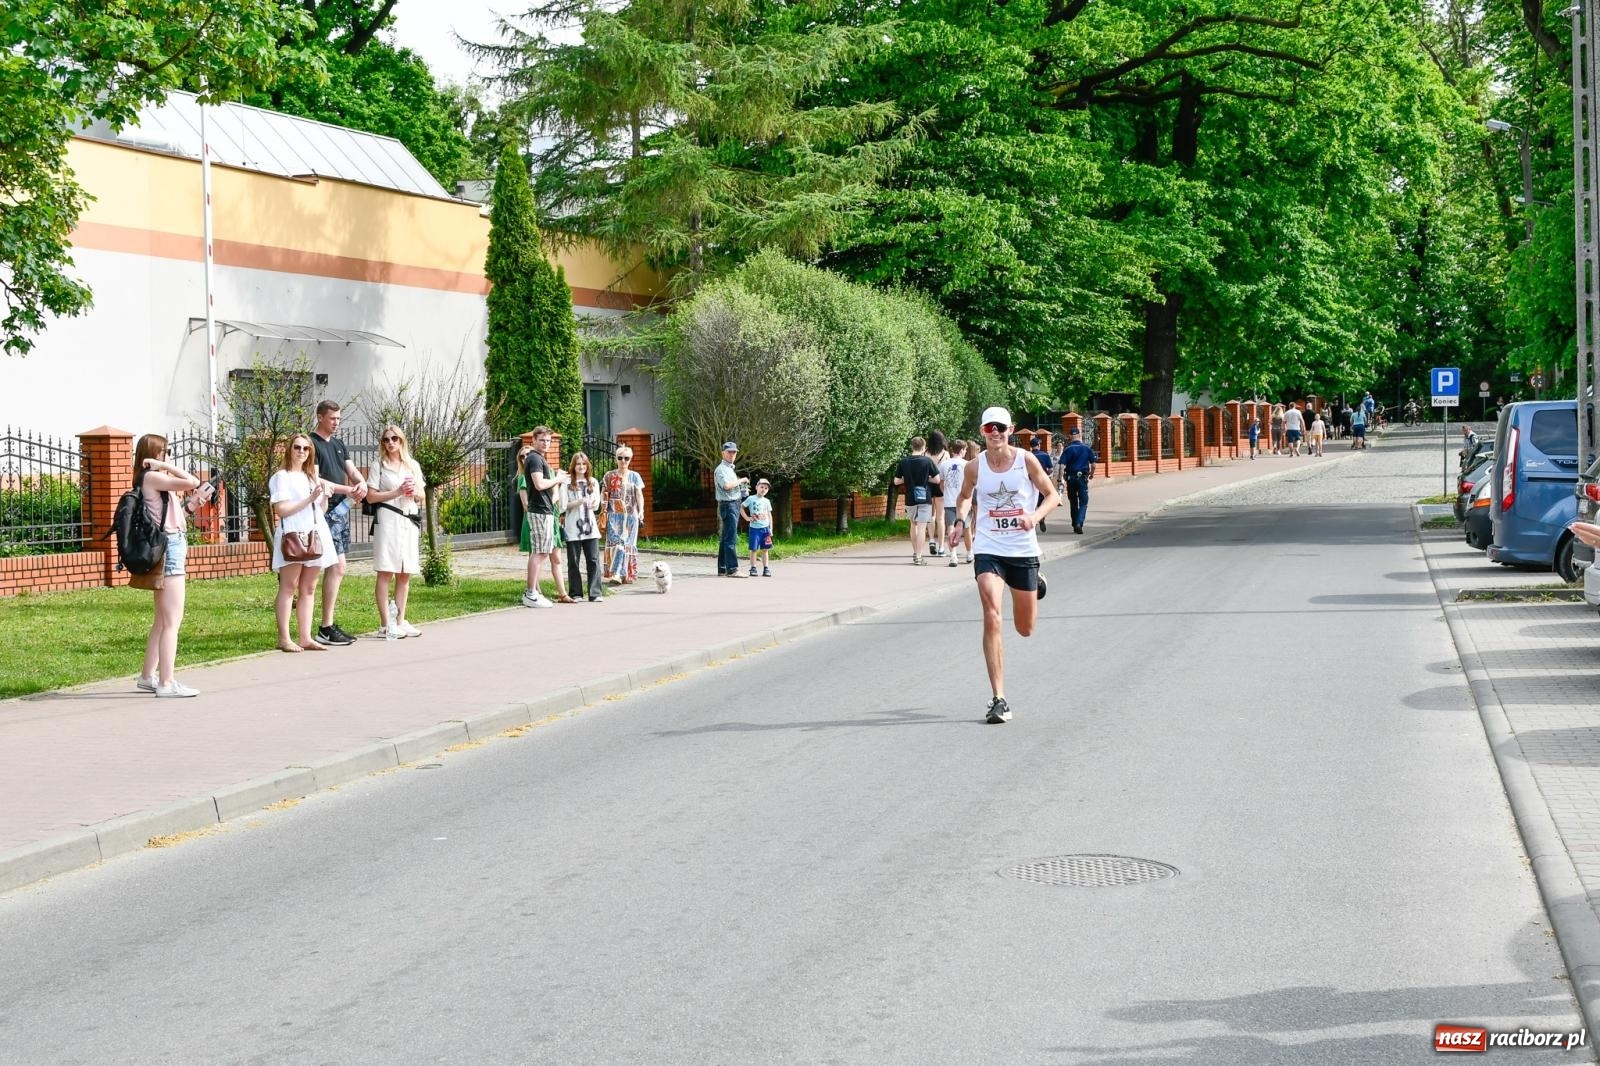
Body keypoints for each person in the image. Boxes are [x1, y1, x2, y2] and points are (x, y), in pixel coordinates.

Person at [954, 406, 1060, 724]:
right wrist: (959, 521)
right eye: (990, 428)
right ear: (982, 432)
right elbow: (964, 496)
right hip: (989, 548)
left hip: (1022, 549)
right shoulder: (975, 466)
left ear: (1010, 430)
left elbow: (1052, 495)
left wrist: (1034, 517)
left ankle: (1035, 581)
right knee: (992, 614)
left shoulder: (1025, 461)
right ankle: (998, 698)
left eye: (1000, 427)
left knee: (1025, 629)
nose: (995, 433)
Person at [131, 433, 213, 698]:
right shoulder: (152, 476)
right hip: (171, 548)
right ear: (153, 454)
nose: (168, 456)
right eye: (164, 452)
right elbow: (192, 481)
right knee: (172, 621)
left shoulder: (152, 480)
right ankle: (166, 682)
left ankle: (147, 677)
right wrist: (163, 466)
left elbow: (170, 515)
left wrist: (191, 505)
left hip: (171, 542)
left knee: (162, 620)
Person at [271, 433, 339, 652]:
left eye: (306, 448)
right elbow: (281, 509)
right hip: (293, 534)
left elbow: (320, 510)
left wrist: (324, 495)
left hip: (314, 534)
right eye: (297, 447)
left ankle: (305, 637)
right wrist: (309, 498)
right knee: (289, 586)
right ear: (289, 449)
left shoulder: (311, 477)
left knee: (309, 588)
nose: (301, 451)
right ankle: (284, 638)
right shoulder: (282, 476)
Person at [309, 400, 367, 647]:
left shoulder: (339, 445)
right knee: (336, 566)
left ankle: (328, 625)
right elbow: (315, 478)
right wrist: (348, 490)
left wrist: (361, 483)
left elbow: (352, 471)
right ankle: (325, 627)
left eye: (339, 419)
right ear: (320, 417)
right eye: (332, 418)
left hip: (341, 511)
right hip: (324, 511)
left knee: (339, 567)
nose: (336, 423)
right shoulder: (311, 444)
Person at [367, 424, 425, 639]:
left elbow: (422, 494)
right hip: (388, 519)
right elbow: (371, 497)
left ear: (402, 441)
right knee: (386, 570)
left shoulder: (412, 465)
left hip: (408, 519)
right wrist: (396, 491)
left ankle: (400, 621)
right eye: (386, 439)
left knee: (404, 571)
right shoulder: (378, 466)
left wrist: (414, 492)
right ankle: (386, 623)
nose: (390, 443)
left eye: (394, 439)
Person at [520, 426, 569, 608]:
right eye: (542, 440)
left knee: (541, 551)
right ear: (533, 440)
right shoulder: (534, 458)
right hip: (539, 510)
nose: (546, 443)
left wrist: (556, 480)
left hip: (545, 510)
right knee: (540, 552)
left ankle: (532, 592)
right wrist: (558, 479)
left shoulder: (539, 458)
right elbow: (539, 484)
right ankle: (531, 593)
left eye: (548, 440)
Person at [562, 452, 603, 601]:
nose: (581, 467)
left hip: (590, 527)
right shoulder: (567, 483)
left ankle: (595, 593)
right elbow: (562, 506)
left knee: (593, 560)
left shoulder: (593, 482)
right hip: (573, 528)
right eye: (578, 464)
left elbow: (596, 505)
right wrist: (578, 502)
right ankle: (576, 593)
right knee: (574, 561)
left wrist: (593, 503)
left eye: (584, 464)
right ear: (573, 466)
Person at [602, 444, 646, 585]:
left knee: (628, 544)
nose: (623, 461)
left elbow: (639, 494)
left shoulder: (635, 476)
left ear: (630, 459)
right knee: (616, 543)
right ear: (616, 458)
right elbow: (604, 495)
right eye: (620, 458)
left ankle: (625, 574)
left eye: (626, 458)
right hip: (614, 515)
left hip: (631, 516)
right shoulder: (609, 475)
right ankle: (616, 573)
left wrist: (641, 511)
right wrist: (603, 512)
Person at [893, 436, 941, 565]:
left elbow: (896, 481)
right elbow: (937, 480)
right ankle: (919, 557)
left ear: (912, 447)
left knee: (913, 525)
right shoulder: (927, 461)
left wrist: (907, 479)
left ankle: (915, 553)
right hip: (925, 497)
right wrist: (926, 479)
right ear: (924, 448)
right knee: (922, 527)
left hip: (910, 497)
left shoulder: (904, 461)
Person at [714, 442, 749, 577]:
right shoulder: (721, 469)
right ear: (723, 453)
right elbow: (726, 486)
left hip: (732, 504)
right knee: (730, 538)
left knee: (726, 538)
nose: (732, 454)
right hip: (728, 505)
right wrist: (741, 481)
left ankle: (722, 568)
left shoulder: (729, 469)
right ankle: (733, 569)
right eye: (729, 452)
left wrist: (742, 491)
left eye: (734, 452)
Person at [1058, 425, 1097, 534]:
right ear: (1079, 435)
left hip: (1070, 478)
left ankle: (1075, 523)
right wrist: (1091, 475)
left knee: (1073, 502)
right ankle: (1079, 523)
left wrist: (1060, 479)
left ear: (1070, 436)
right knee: (1083, 502)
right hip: (1082, 478)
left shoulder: (1067, 449)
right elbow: (1094, 465)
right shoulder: (1087, 448)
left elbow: (1061, 466)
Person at [939, 440, 970, 566]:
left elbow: (941, 484)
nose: (965, 452)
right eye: (965, 449)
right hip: (964, 501)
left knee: (951, 527)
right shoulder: (967, 464)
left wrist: (946, 493)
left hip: (949, 500)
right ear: (962, 450)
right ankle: (970, 553)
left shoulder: (944, 464)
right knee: (967, 528)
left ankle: (953, 555)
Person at [742, 478, 775, 576]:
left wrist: (771, 528)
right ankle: (753, 568)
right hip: (754, 529)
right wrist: (747, 518)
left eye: (766, 488)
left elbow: (769, 515)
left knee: (765, 549)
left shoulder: (767, 501)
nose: (763, 489)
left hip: (765, 529)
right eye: (761, 487)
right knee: (754, 549)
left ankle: (766, 568)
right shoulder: (751, 498)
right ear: (756, 487)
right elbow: (741, 507)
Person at [926, 430, 950, 557]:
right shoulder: (945, 453)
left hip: (928, 485)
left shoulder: (925, 453)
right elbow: (948, 471)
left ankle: (931, 540)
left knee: (931, 515)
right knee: (941, 517)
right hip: (940, 485)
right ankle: (941, 547)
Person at [1030, 434, 1054, 533]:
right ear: (1039, 445)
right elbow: (1051, 469)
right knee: (1042, 501)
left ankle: (1032, 520)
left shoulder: (1028, 456)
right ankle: (1041, 517)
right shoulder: (1045, 455)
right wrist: (1046, 474)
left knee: (1031, 502)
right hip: (1041, 482)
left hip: (1030, 482)